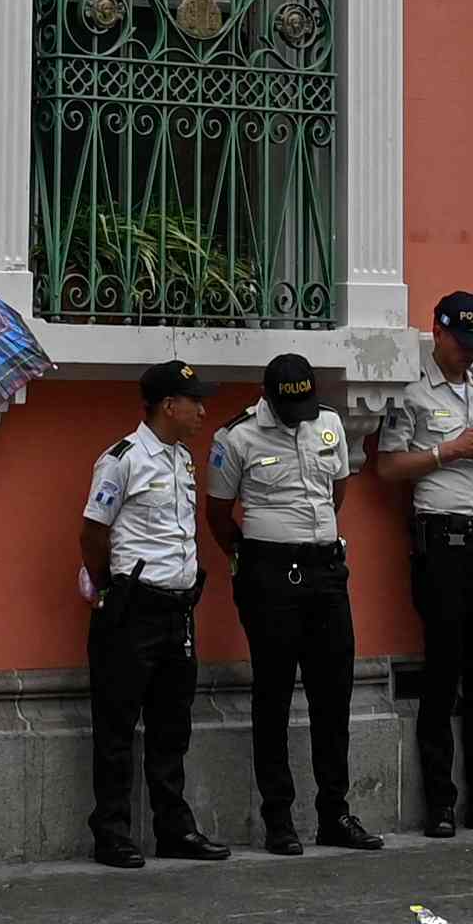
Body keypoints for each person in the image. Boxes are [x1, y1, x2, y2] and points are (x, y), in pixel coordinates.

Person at [206, 351, 377, 850]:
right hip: (269, 573)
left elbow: (336, 491)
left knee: (334, 694)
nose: (296, 417)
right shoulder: (236, 437)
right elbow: (218, 514)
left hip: (325, 569)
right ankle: (278, 817)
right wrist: (255, 556)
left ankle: (334, 813)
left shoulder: (328, 423)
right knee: (274, 694)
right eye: (288, 409)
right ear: (268, 397)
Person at [369, 293, 473, 836]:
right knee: (442, 670)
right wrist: (447, 451)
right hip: (443, 542)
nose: (468, 354)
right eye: (461, 342)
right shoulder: (411, 394)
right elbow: (387, 468)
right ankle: (439, 801)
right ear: (437, 331)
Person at [79, 362, 219, 869]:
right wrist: (109, 586)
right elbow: (94, 531)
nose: (202, 411)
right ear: (168, 405)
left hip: (177, 609)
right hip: (133, 607)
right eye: (194, 401)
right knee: (117, 725)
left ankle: (173, 827)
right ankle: (112, 831)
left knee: (171, 725)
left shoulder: (182, 459)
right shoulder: (123, 459)